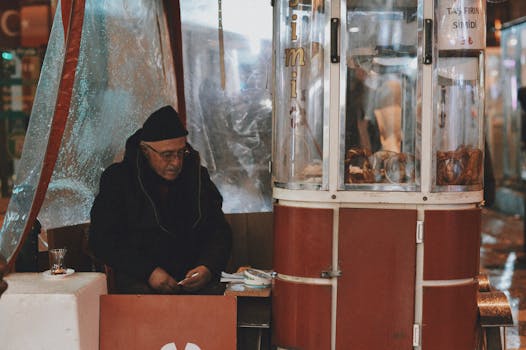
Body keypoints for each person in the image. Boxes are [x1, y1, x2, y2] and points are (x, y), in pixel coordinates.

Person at [89, 105, 232, 294]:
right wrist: (148, 271)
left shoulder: (196, 177)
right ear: (146, 150)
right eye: (167, 155)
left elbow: (219, 232)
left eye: (181, 152)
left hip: (191, 280)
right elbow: (102, 240)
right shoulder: (119, 180)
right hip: (139, 279)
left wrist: (207, 267)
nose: (176, 162)